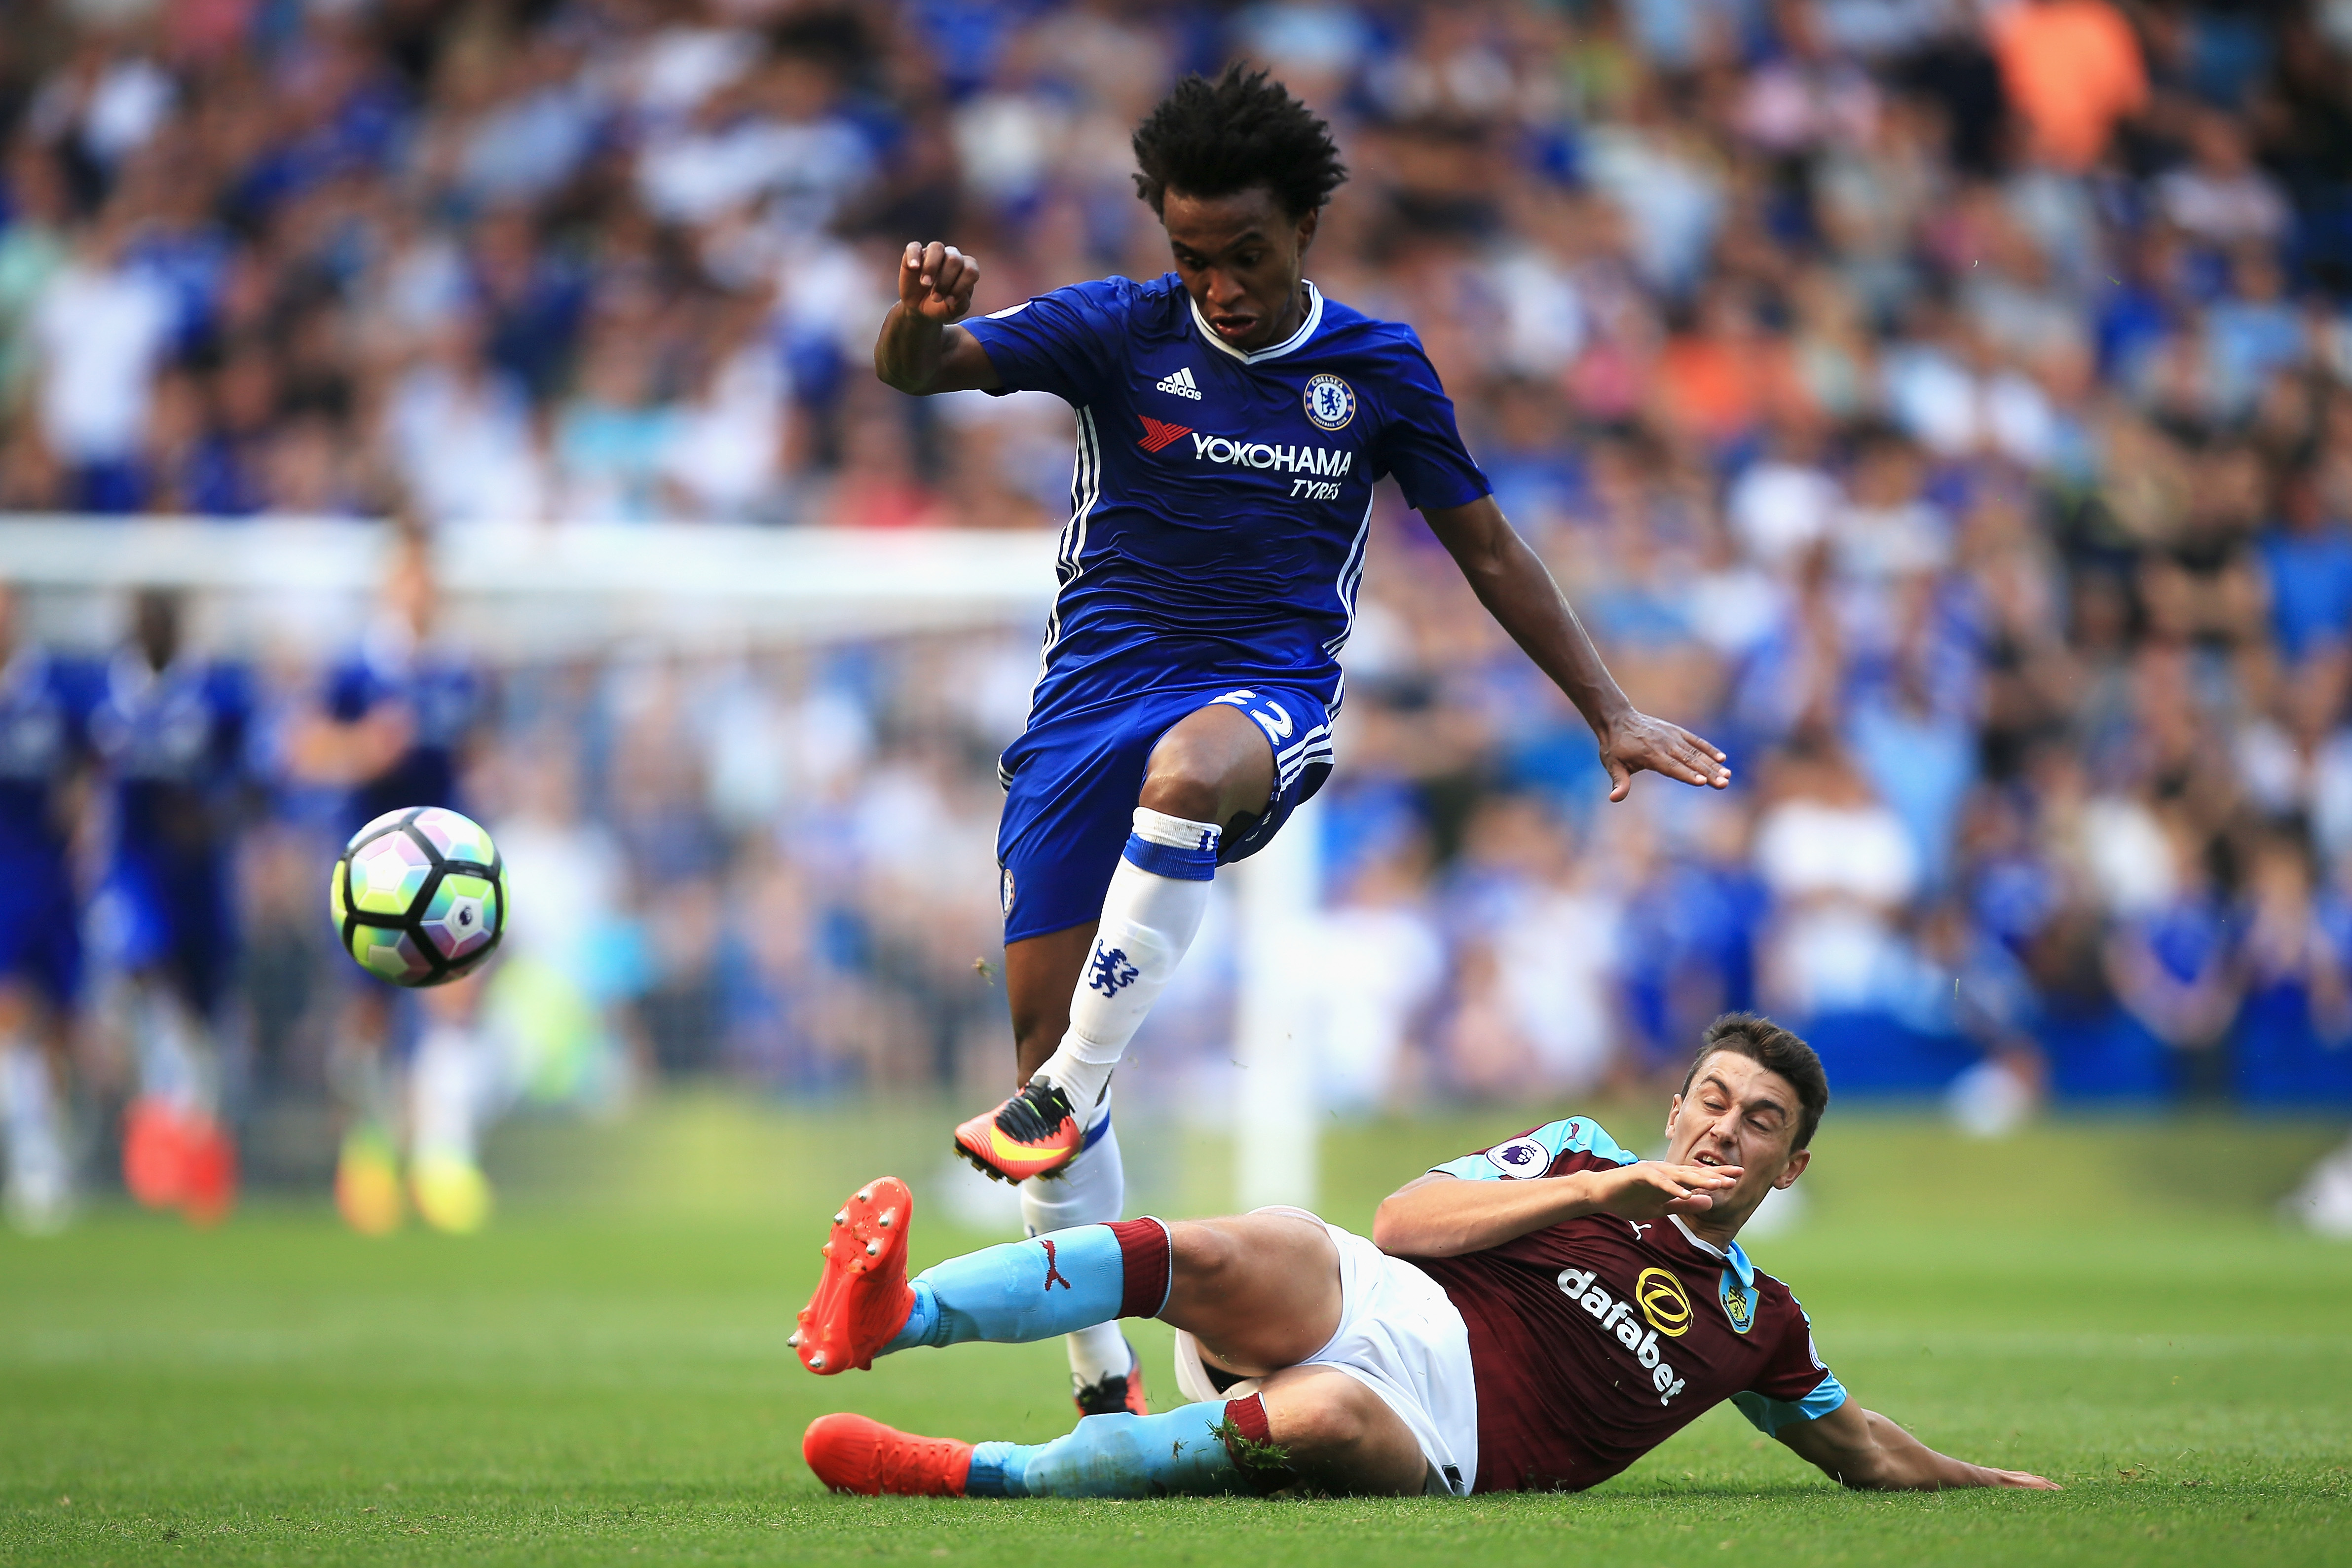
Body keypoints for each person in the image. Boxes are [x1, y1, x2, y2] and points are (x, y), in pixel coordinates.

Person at [873, 64, 1728, 1418]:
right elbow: (936, 370)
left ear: (1306, 227)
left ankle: (1071, 1087)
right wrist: (916, 326)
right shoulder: (1115, 330)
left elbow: (1488, 546)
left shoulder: (1375, 368)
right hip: (1081, 716)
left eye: (1248, 254)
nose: (1221, 284)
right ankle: (1104, 1390)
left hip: (1264, 697)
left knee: (1185, 792)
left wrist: (1610, 709)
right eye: (1194, 255)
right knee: (1040, 1057)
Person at [790, 1013, 2057, 1499]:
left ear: (1787, 1168)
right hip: (1388, 1296)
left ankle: (975, 1473)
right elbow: (1398, 1225)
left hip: (1444, 1429)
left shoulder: (1758, 1320)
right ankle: (895, 1317)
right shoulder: (1573, 1153)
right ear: (1675, 1106)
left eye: (1759, 1120)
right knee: (1262, 1235)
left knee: (1328, 1410)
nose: (1724, 1126)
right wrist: (1612, 1185)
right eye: (1711, 1099)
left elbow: (1863, 1449)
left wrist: (1996, 1484)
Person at [283, 524, 494, 1234]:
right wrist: (363, 747)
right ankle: (370, 1155)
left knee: (455, 1001)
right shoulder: (355, 669)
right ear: (389, 584)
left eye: (427, 576)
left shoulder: (458, 668)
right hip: (374, 874)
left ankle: (444, 1161)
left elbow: (471, 749)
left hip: (449, 872)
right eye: (408, 576)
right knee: (367, 1019)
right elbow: (304, 748)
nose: (420, 589)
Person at [89, 590, 252, 1225]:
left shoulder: (218, 697)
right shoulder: (100, 694)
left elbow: (254, 777)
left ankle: (196, 1137)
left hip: (202, 879)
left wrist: (214, 812)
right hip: (134, 873)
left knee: (203, 1012)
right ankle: (157, 1122)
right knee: (150, 975)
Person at [0, 583, 96, 1232]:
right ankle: (32, 1156)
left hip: (53, 882)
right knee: (10, 1013)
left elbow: (89, 770)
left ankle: (52, 1149)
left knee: (62, 1023)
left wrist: (86, 836)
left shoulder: (56, 688)